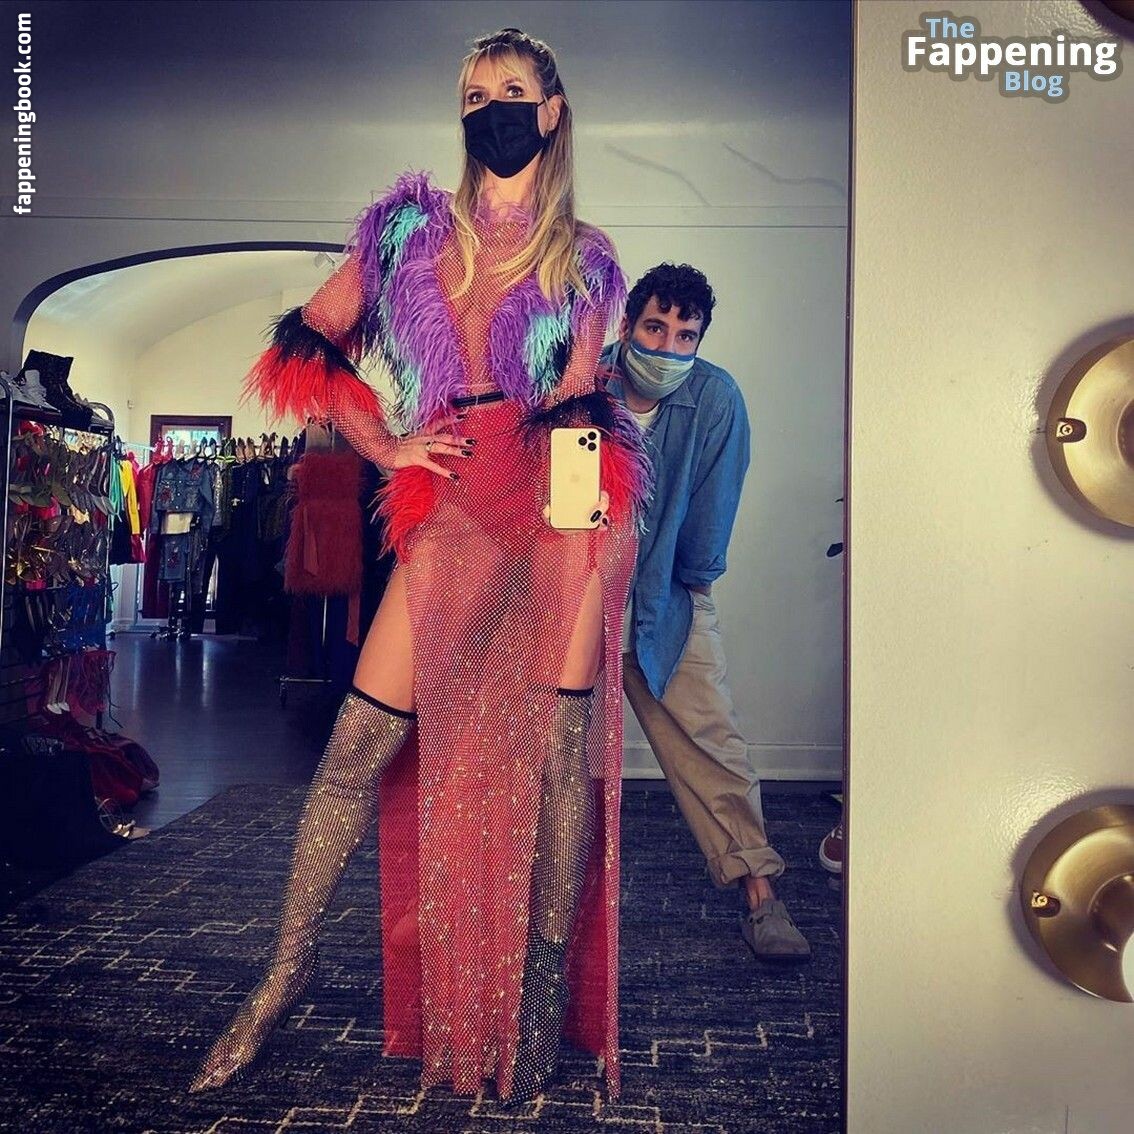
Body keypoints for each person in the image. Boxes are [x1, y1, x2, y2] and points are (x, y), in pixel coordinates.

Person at [189, 28, 650, 1103]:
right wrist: (387, 443)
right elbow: (306, 346)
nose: (490, 109)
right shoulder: (406, 233)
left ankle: (538, 989)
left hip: (561, 497)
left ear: (551, 112)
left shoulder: (584, 256)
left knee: (557, 750)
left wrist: (576, 530)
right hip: (451, 492)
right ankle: (282, 976)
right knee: (357, 743)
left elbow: (580, 404)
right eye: (472, 94)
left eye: (511, 91)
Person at [602, 264, 811, 961]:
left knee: (711, 739)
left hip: (667, 594)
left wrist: (678, 592)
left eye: (684, 335)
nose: (667, 346)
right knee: (543, 750)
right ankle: (521, 906)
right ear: (627, 324)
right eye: (655, 327)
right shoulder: (582, 385)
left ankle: (760, 893)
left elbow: (711, 520)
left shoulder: (716, 398)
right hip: (572, 598)